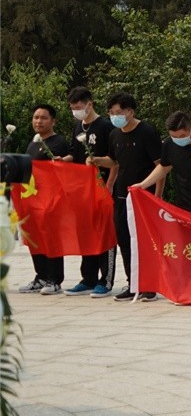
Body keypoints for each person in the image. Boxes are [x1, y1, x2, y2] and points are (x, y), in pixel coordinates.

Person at [89, 93, 164, 302]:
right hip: (122, 196)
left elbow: (161, 166)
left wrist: (157, 196)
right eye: (111, 113)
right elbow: (114, 161)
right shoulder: (114, 134)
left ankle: (149, 286)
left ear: (130, 112)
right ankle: (133, 283)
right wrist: (97, 160)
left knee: (144, 242)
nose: (115, 116)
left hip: (144, 196)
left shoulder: (147, 132)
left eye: (119, 112)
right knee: (125, 240)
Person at [64, 87, 118, 299]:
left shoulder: (105, 126)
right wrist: (62, 161)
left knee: (105, 233)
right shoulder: (78, 126)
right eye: (72, 108)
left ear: (89, 104)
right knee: (85, 233)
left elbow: (115, 160)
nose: (75, 111)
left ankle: (106, 280)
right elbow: (73, 153)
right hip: (82, 190)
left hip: (102, 188)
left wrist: (109, 185)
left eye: (78, 107)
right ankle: (88, 278)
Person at [18, 104, 72, 296]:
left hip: (51, 200)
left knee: (51, 239)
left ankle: (54, 279)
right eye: (36, 117)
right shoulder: (33, 143)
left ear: (53, 121)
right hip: (33, 199)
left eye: (43, 118)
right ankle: (40, 276)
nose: (38, 121)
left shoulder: (58, 143)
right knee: (35, 238)